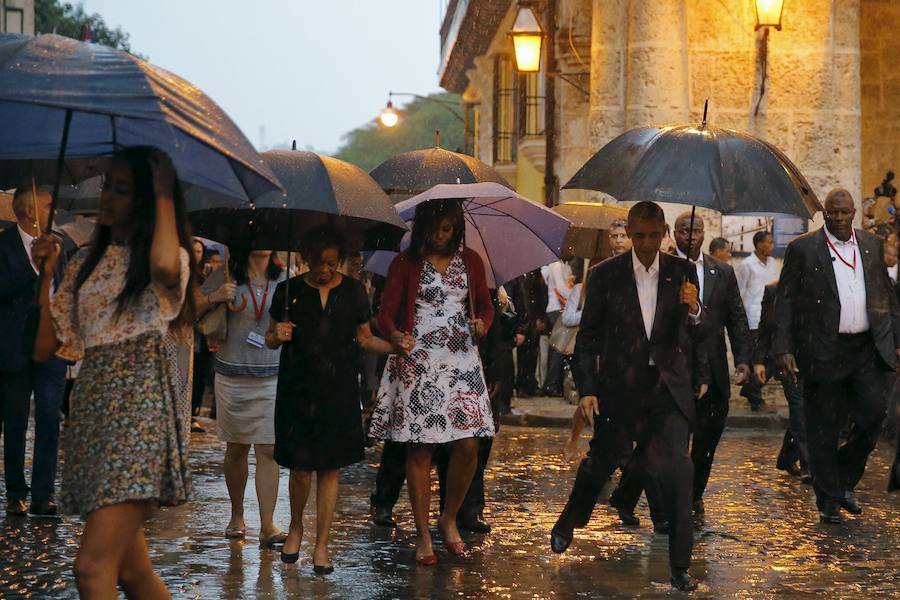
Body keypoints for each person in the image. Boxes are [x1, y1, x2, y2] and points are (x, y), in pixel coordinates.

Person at [32, 147, 192, 597]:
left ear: (145, 201)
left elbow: (163, 266)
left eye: (124, 190)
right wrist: (44, 275)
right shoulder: (84, 262)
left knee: (91, 566)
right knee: (132, 571)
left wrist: (163, 194)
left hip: (140, 409)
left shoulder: (166, 258)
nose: (108, 197)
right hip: (92, 408)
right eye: (108, 186)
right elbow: (47, 346)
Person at [550, 201, 708, 592]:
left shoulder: (683, 273)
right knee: (599, 464)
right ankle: (572, 516)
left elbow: (696, 335)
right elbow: (587, 340)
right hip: (620, 389)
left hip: (667, 391)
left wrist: (695, 310)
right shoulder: (604, 276)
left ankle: (679, 566)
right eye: (640, 235)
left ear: (665, 234)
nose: (647, 243)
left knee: (679, 471)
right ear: (630, 233)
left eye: (655, 236)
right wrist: (587, 389)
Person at [369, 199, 495, 565]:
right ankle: (423, 533)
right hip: (418, 358)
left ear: (456, 229)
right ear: (422, 228)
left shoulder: (471, 261)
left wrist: (481, 324)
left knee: (469, 445)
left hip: (460, 360)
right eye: (435, 229)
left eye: (448, 230)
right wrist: (395, 335)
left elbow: (485, 307)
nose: (441, 237)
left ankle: (449, 517)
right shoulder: (404, 263)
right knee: (420, 448)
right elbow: (385, 315)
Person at [266, 225, 399, 572]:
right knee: (300, 471)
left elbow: (365, 338)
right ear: (306, 258)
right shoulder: (286, 292)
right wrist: (276, 336)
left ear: (340, 260)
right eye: (318, 263)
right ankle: (296, 525)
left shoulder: (355, 292)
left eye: (331, 263)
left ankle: (322, 545)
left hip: (338, 389)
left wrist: (394, 347)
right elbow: (268, 337)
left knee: (329, 470)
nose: (324, 270)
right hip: (297, 389)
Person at [774, 188, 900, 523]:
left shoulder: (871, 245)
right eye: (833, 213)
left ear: (854, 212)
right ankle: (829, 498)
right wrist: (783, 349)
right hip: (823, 350)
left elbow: (887, 298)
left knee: (874, 414)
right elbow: (784, 301)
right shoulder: (804, 248)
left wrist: (896, 340)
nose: (840, 219)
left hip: (865, 349)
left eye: (845, 213)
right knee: (823, 428)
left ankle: (842, 478)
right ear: (825, 213)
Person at [0, 184, 67, 517]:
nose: (55, 207)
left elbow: (63, 290)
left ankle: (44, 493)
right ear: (30, 211)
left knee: (49, 416)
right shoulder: (3, 245)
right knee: (14, 420)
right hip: (14, 346)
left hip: (51, 345)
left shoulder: (59, 246)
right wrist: (38, 270)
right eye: (49, 203)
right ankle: (15, 492)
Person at [213, 248, 286, 545]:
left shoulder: (285, 278)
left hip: (272, 374)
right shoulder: (226, 274)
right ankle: (237, 514)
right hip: (232, 375)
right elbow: (192, 308)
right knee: (237, 449)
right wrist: (214, 296)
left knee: (268, 449)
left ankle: (268, 524)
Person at [753, 281, 810, 482]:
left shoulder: (820, 287)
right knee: (799, 408)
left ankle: (787, 457)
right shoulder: (774, 291)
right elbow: (765, 329)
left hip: (814, 359)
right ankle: (807, 464)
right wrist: (759, 361)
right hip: (785, 360)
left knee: (805, 411)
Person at [736, 230, 779, 410]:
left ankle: (751, 389)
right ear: (759, 244)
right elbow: (738, 291)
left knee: (772, 358)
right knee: (758, 358)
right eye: (769, 242)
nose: (772, 246)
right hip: (753, 317)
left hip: (769, 317)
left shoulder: (772, 263)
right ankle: (754, 396)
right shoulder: (747, 264)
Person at [540, 260, 574, 396]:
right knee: (558, 348)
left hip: (560, 308)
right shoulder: (557, 265)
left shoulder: (564, 265)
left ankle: (552, 384)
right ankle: (551, 385)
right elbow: (561, 289)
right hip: (557, 308)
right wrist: (576, 292)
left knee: (558, 348)